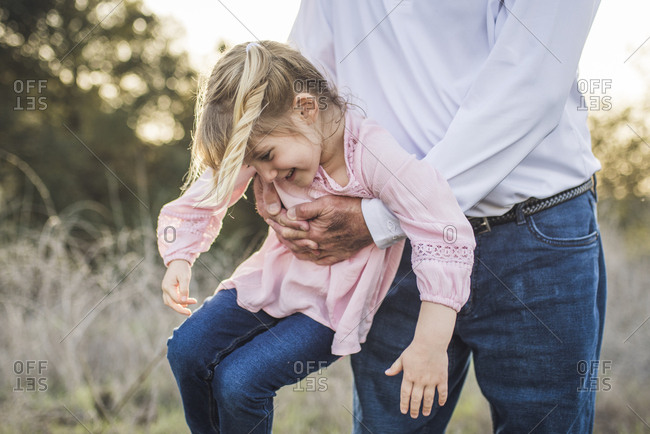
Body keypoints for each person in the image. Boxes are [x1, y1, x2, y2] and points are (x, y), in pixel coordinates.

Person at [256, 1, 607, 432]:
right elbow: (307, 72)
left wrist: (382, 218)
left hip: (533, 234)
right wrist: (276, 183)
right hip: (392, 250)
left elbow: (533, 81)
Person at [156, 40, 475, 433]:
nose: (265, 175)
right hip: (270, 281)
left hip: (330, 308)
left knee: (240, 382)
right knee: (187, 349)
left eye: (267, 157)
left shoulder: (371, 155)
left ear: (306, 110)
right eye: (253, 164)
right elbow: (204, 197)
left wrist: (430, 343)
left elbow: (443, 233)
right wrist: (180, 257)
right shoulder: (270, 142)